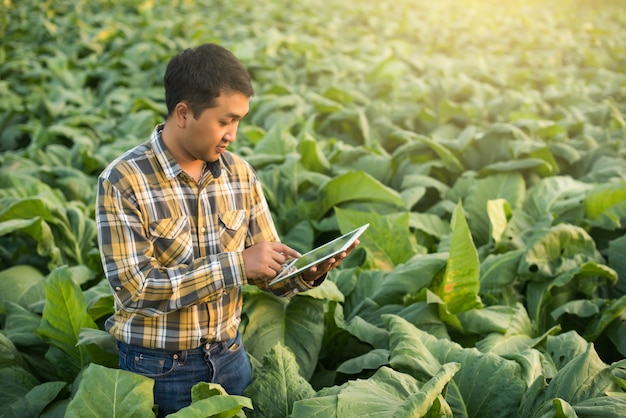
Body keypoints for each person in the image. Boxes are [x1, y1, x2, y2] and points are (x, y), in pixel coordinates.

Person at [95, 43, 357, 417]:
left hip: (232, 358)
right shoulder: (123, 181)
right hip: (158, 371)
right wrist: (236, 266)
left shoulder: (239, 174)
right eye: (225, 120)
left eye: (238, 121)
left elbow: (266, 269)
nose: (232, 134)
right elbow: (136, 291)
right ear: (183, 113)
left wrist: (306, 274)